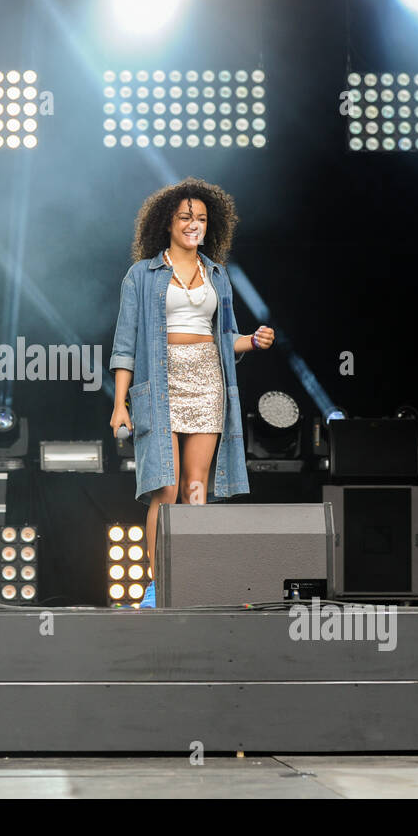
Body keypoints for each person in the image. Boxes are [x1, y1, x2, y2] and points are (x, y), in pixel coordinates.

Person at [109, 178, 274, 606]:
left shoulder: (217, 275)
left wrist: (252, 341)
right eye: (186, 217)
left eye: (201, 218)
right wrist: (119, 404)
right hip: (159, 385)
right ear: (168, 222)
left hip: (207, 383)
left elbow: (225, 337)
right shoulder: (141, 274)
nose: (193, 224)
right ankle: (157, 584)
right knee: (164, 488)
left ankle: (192, 580)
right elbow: (125, 344)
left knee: (195, 487)